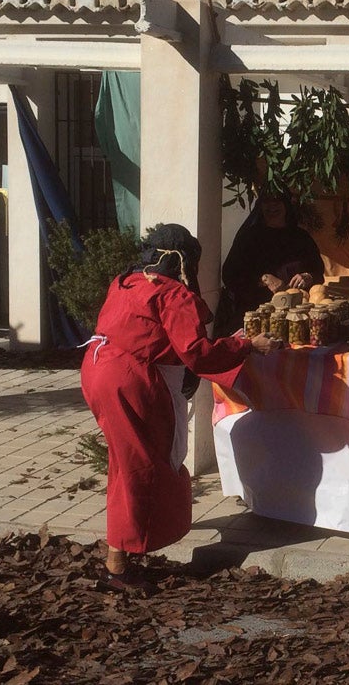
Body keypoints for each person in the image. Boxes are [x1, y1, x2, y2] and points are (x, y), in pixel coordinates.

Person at [80, 223, 281, 592]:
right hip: (130, 380)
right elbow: (196, 353)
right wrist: (246, 345)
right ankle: (118, 569)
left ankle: (121, 557)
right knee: (141, 467)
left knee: (125, 465)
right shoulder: (172, 294)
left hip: (97, 370)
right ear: (182, 261)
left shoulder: (125, 281)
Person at [216, 194, 325, 336]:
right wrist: (263, 279)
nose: (272, 206)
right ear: (260, 206)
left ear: (286, 205)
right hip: (257, 321)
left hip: (296, 322)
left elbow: (318, 272)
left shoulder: (301, 238)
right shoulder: (249, 238)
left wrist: (307, 276)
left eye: (277, 201)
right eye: (267, 201)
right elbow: (230, 274)